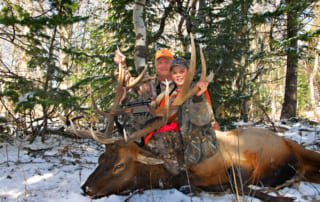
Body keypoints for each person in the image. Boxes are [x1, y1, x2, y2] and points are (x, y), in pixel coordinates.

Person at [145, 58, 218, 174]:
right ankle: (176, 174)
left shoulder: (197, 89)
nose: (178, 75)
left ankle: (182, 177)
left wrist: (198, 97)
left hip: (199, 138)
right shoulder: (169, 95)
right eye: (174, 73)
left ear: (188, 72)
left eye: (181, 71)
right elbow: (161, 119)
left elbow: (204, 119)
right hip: (180, 139)